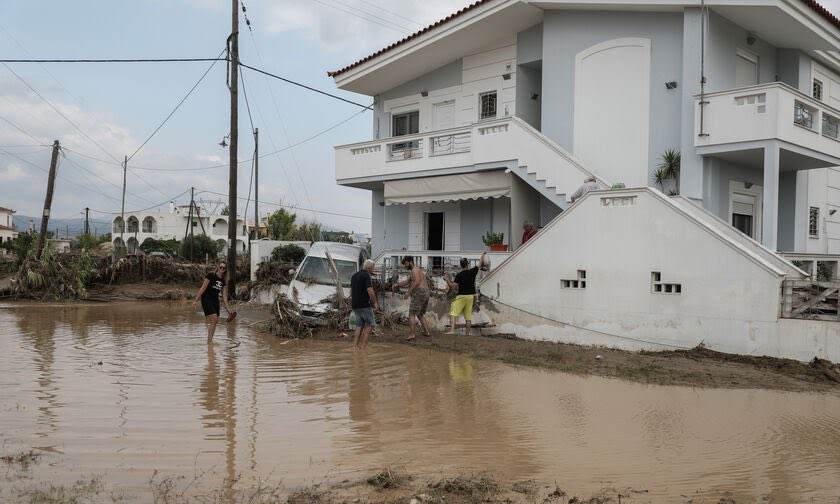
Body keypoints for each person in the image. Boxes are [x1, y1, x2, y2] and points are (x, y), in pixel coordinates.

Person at [443, 252, 486, 336]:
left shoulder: (459, 275)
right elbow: (480, 263)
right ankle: (467, 333)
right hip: (471, 297)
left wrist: (446, 279)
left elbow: (453, 287)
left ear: (461, 265)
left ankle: (452, 330)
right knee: (468, 316)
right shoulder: (473, 271)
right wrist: (482, 255)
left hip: (461, 296)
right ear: (468, 264)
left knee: (453, 313)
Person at [392, 256, 431, 340]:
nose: (405, 266)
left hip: (420, 292)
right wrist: (397, 284)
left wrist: (408, 292)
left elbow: (417, 281)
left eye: (406, 264)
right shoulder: (416, 270)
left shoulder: (414, 270)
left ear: (410, 262)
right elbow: (407, 282)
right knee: (420, 314)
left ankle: (412, 334)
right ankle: (426, 332)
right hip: (426, 292)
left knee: (412, 314)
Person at [193, 262, 232, 343]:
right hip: (206, 299)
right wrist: (196, 300)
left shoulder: (223, 281)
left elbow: (224, 297)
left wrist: (229, 310)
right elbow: (203, 288)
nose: (222, 269)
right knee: (214, 319)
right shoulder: (211, 275)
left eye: (224, 268)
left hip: (215, 301)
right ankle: (209, 342)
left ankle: (209, 340)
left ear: (225, 270)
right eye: (220, 267)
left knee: (215, 321)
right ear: (218, 267)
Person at [350, 259, 379, 349]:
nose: (373, 270)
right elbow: (370, 290)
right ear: (369, 268)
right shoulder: (366, 276)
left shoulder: (354, 275)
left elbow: (351, 291)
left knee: (359, 325)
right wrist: (375, 302)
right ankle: (364, 346)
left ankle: (354, 346)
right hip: (364, 305)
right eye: (373, 268)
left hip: (355, 304)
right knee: (371, 324)